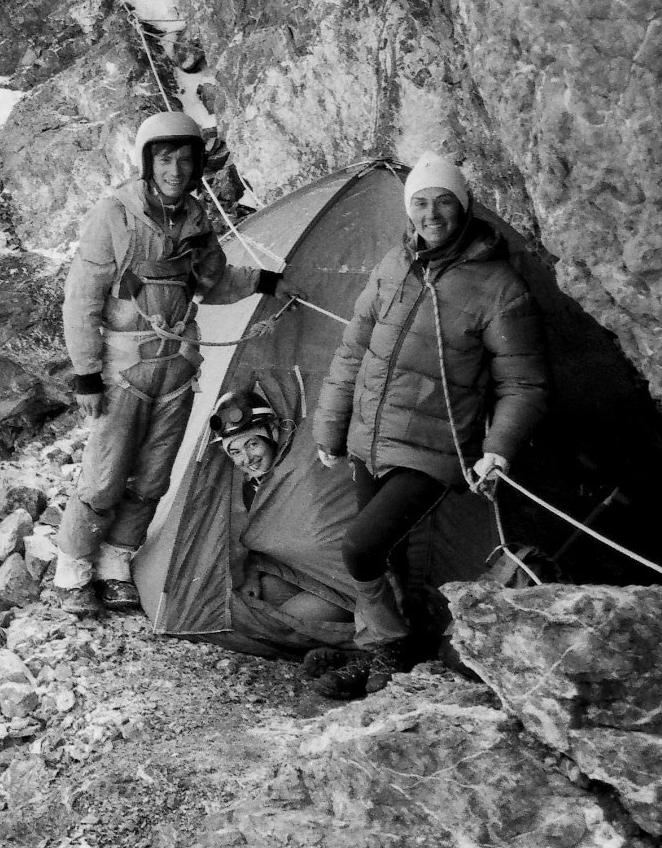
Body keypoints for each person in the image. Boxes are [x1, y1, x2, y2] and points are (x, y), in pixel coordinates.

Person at [310, 155, 548, 690]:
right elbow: (354, 350)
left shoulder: (499, 287)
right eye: (419, 201)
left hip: (436, 449)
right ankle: (385, 653)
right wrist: (331, 426)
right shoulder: (394, 265)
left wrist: (499, 448)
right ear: (407, 208)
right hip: (370, 437)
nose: (431, 213)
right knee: (384, 555)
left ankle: (390, 650)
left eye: (444, 200)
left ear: (463, 207)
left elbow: (524, 384)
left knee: (360, 547)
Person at [46, 110, 282, 616]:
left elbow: (212, 282)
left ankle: (116, 561)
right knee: (106, 473)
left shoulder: (196, 219)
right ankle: (72, 565)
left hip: (176, 365)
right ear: (147, 162)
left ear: (198, 166)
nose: (175, 169)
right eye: (165, 158)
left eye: (185, 159)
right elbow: (81, 299)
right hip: (124, 367)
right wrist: (85, 372)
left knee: (154, 475)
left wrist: (261, 282)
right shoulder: (114, 214)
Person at [209, 389, 352, 631]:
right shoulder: (248, 488)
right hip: (298, 572)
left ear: (272, 434)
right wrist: (252, 572)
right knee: (261, 597)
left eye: (252, 444)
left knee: (277, 624)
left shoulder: (304, 468)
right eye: (235, 452)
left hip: (343, 584)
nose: (247, 458)